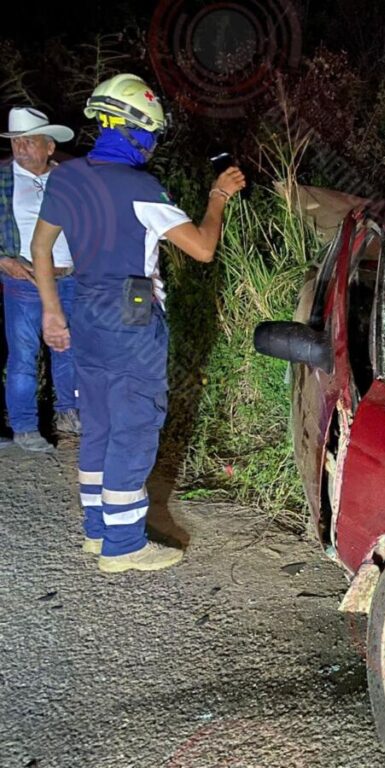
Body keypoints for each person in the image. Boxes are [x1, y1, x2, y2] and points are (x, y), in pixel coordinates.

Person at [32, 73, 245, 573]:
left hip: (83, 305)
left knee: (101, 422)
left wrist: (51, 309)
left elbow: (41, 247)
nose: (152, 144)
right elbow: (202, 248)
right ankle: (124, 546)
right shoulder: (140, 186)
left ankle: (98, 531)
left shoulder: (66, 176)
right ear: (135, 130)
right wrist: (217, 196)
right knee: (135, 424)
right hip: (131, 312)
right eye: (151, 134)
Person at [0, 107, 80, 453]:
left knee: (69, 349)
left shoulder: (71, 177)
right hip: (25, 280)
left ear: (49, 146)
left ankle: (69, 415)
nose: (21, 148)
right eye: (17, 142)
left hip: (70, 278)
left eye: (29, 141)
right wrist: (3, 261)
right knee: (23, 355)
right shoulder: (2, 178)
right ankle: (24, 426)